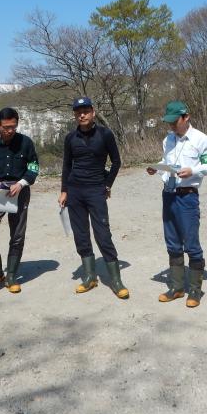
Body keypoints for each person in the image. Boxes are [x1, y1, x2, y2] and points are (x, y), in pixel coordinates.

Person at [146, 100, 207, 308]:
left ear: (186, 117)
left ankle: (195, 289)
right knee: (172, 241)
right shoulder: (167, 139)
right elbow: (167, 162)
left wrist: (192, 171)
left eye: (174, 121)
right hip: (168, 195)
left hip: (187, 196)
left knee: (191, 243)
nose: (171, 126)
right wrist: (156, 168)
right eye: (168, 122)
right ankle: (177, 287)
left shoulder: (201, 139)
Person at [59, 97, 127, 298]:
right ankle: (90, 277)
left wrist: (107, 185)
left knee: (103, 235)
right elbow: (66, 166)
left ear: (93, 112)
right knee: (81, 235)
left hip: (96, 190)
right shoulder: (70, 138)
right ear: (74, 115)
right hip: (75, 192)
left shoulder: (105, 135)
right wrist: (64, 190)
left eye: (85, 111)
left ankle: (116, 280)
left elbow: (116, 162)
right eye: (78, 111)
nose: (82, 114)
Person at [0, 107, 39, 295]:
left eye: (13, 126)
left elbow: (33, 167)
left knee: (17, 235)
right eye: (6, 127)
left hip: (19, 190)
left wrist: (22, 183)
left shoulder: (26, 142)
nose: (10, 131)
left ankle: (11, 275)